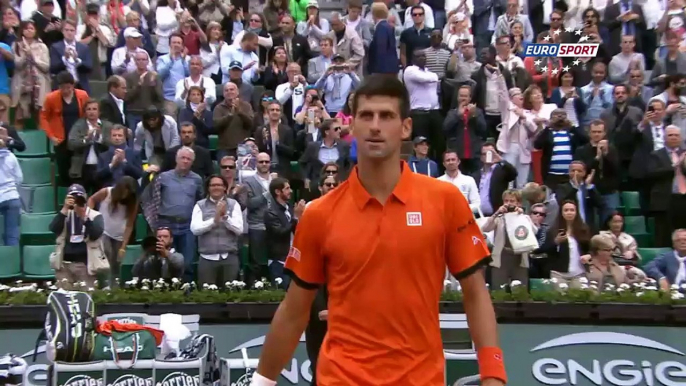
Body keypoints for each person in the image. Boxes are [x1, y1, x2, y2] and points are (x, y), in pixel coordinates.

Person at [251, 75, 506, 386]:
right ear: (352, 126)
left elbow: (476, 294)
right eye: (366, 116)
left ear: (406, 127)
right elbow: (294, 311)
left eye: (386, 116)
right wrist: (261, 382)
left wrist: (493, 374)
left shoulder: (446, 200)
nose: (375, 126)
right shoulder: (320, 213)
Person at [49, 184, 105, 290]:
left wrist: (84, 217)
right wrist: (65, 209)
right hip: (64, 264)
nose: (76, 200)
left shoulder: (95, 215)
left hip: (85, 264)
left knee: (86, 297)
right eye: (72, 197)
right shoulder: (64, 214)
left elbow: (95, 234)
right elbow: (53, 228)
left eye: (79, 197)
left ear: (85, 197)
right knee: (64, 297)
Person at [191, 175, 244, 285]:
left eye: (219, 185)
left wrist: (225, 218)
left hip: (229, 257)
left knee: (231, 295)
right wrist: (214, 221)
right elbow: (195, 229)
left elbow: (239, 230)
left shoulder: (233, 204)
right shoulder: (200, 205)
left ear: (225, 187)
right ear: (208, 188)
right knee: (207, 297)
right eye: (213, 185)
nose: (216, 187)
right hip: (207, 258)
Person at [87, 176, 138, 287]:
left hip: (119, 236)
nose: (126, 194)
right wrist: (90, 215)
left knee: (116, 263)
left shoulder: (132, 203)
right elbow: (91, 199)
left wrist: (123, 246)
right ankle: (103, 286)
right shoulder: (107, 192)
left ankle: (114, 289)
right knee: (106, 256)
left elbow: (129, 225)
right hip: (103, 231)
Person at [0, 140, 22, 246]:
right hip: (12, 197)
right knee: (12, 235)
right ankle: (13, 262)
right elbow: (19, 178)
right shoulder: (11, 157)